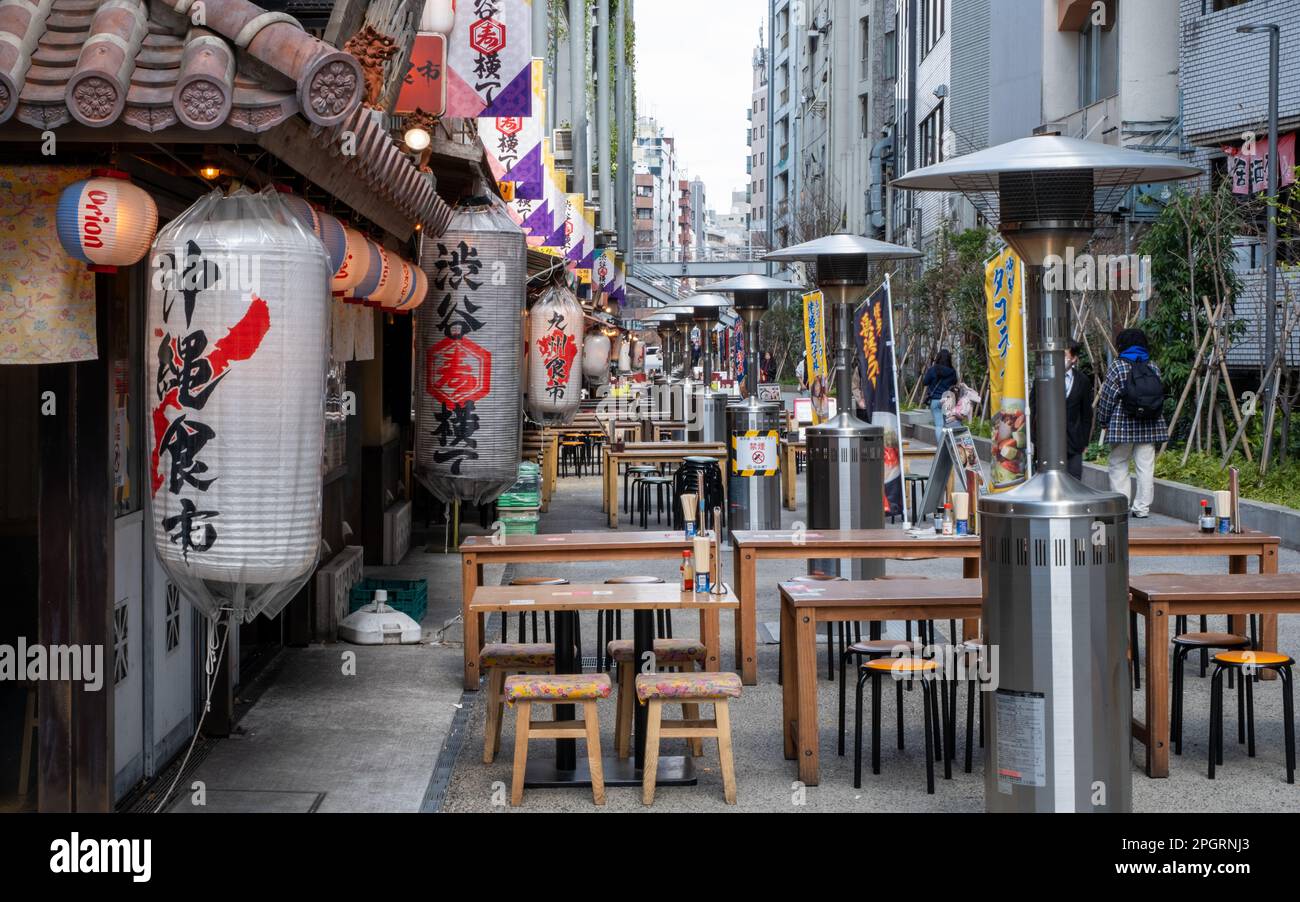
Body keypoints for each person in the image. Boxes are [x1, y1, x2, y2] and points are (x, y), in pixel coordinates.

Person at [1094, 328, 1167, 518]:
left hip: (1122, 424)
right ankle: (1142, 508)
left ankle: (1121, 505)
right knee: (1145, 467)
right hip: (1149, 424)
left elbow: (1108, 397)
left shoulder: (1118, 366)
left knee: (1119, 464)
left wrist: (1103, 420)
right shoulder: (1153, 366)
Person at [1029, 342, 1094, 479]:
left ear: (1074, 358)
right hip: (1046, 442)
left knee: (1074, 482)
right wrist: (1033, 437)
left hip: (1073, 442)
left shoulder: (1082, 381)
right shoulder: (1043, 377)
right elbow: (1033, 407)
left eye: (1063, 355)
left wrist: (1084, 441)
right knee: (1047, 482)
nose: (1059, 358)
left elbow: (1086, 414)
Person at [922, 349, 957, 435]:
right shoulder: (952, 372)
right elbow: (954, 383)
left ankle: (941, 447)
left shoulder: (933, 370)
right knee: (948, 424)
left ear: (938, 358)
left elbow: (925, 382)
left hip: (935, 400)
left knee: (939, 425)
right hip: (948, 400)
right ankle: (947, 446)